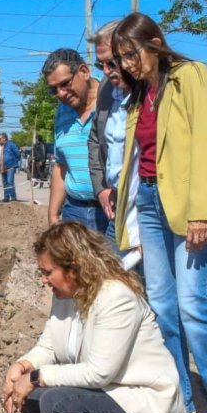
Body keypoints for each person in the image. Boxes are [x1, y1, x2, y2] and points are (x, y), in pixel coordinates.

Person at [111, 12, 207, 413]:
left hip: (191, 205)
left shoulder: (191, 76)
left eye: (131, 53)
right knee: (162, 307)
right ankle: (180, 398)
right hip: (151, 204)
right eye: (121, 57)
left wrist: (201, 212)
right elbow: (137, 161)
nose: (128, 63)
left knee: (194, 304)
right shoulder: (141, 94)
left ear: (155, 42)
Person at [1, 222, 185, 413]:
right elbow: (49, 345)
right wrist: (22, 366)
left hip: (143, 401)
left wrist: (34, 378)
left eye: (48, 272)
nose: (43, 280)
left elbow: (99, 372)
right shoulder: (67, 296)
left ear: (74, 268)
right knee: (33, 398)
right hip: (107, 396)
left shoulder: (115, 298)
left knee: (58, 403)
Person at [41, 49, 104, 231]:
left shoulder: (113, 102)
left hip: (112, 213)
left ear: (84, 71)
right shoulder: (62, 112)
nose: (61, 93)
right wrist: (53, 215)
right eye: (54, 90)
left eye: (65, 84)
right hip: (74, 212)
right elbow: (61, 166)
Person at [87, 20, 132, 254]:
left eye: (111, 63)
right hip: (118, 208)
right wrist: (102, 187)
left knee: (157, 289)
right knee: (116, 284)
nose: (105, 70)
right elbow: (95, 139)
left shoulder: (163, 87)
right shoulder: (106, 87)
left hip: (154, 211)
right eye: (100, 64)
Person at [0, 132, 21, 203]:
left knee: (10, 182)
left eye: (0, 138)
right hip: (2, 167)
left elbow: (17, 154)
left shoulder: (11, 145)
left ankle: (13, 197)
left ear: (4, 138)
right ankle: (6, 197)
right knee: (5, 183)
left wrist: (14, 162)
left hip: (10, 167)